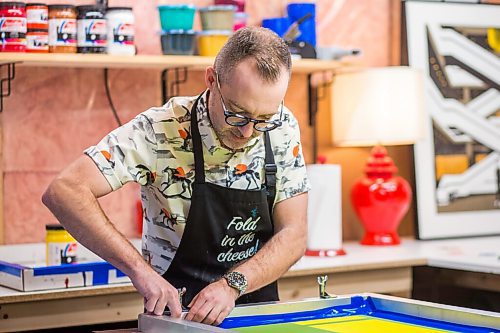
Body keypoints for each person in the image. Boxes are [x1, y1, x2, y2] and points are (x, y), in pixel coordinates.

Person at [42, 27, 310, 326]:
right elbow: (64, 190)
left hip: (258, 317)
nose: (248, 132)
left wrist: (231, 285)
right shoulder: (160, 129)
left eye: (262, 120)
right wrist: (140, 271)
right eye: (237, 113)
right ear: (212, 80)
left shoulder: (282, 126)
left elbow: (294, 234)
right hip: (178, 318)